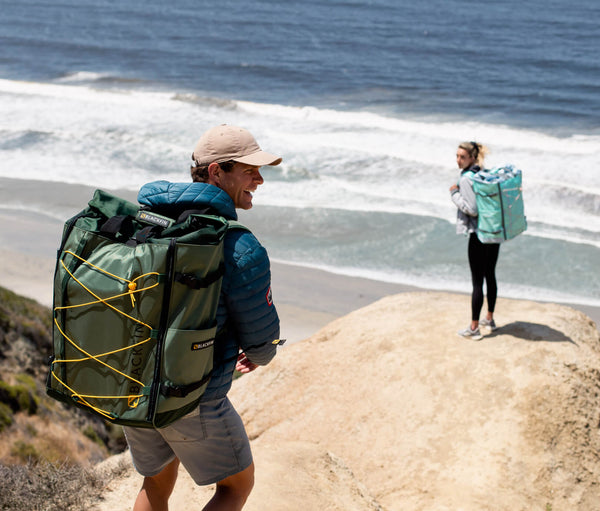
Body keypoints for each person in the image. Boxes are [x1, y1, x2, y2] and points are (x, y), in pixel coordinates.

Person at [122, 124, 283, 511]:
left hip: (133, 383)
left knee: (156, 482)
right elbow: (261, 341)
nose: (259, 180)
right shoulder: (238, 245)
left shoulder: (146, 224)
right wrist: (259, 356)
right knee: (235, 486)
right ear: (216, 172)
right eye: (249, 170)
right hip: (193, 394)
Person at [449, 141, 500, 341]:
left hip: (478, 236)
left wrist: (454, 194)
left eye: (462, 157)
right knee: (490, 275)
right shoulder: (483, 173)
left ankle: (474, 328)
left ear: (472, 158)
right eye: (457, 156)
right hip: (493, 233)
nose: (458, 160)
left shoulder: (467, 179)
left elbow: (472, 209)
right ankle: (490, 319)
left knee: (477, 282)